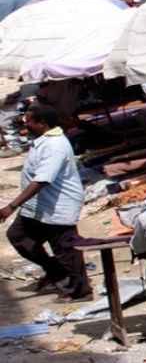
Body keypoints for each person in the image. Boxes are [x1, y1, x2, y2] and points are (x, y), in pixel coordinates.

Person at [1, 104, 92, 301]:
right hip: (38, 206)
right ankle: (56, 272)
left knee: (65, 249)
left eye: (30, 121)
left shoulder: (55, 146)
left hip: (58, 206)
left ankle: (81, 290)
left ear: (42, 124)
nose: (26, 125)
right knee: (18, 236)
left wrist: (11, 206)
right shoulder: (43, 141)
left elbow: (42, 179)